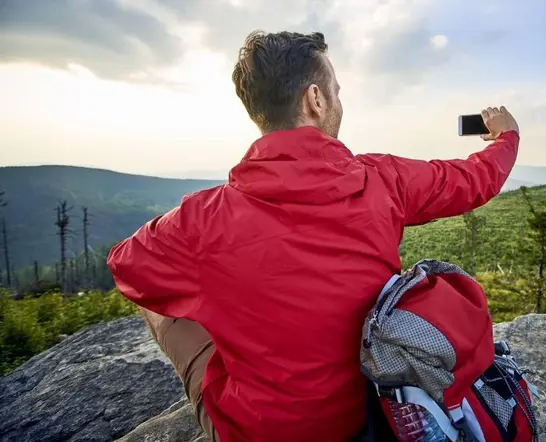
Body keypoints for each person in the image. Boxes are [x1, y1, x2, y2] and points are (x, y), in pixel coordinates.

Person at [107, 30, 521, 442]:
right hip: (373, 413)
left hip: (264, 431)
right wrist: (506, 137)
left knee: (166, 305)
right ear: (315, 99)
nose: (338, 101)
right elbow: (473, 180)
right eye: (335, 91)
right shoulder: (383, 180)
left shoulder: (201, 218)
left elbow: (126, 265)